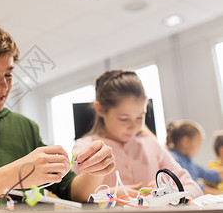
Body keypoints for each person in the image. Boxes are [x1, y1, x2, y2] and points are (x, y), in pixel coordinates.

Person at [0, 23, 115, 203]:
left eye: (9, 75)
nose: (4, 86)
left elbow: (73, 192)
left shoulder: (25, 127)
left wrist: (95, 170)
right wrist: (18, 173)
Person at [71, 70, 202, 199]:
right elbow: (74, 197)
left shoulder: (150, 143)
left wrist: (169, 193)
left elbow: (192, 186)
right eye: (124, 119)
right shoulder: (84, 147)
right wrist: (112, 194)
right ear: (100, 109)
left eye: (140, 117)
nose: (133, 127)